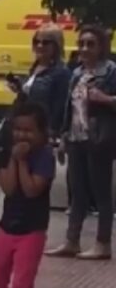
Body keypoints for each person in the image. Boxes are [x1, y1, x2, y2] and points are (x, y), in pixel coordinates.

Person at [0, 100, 56, 288]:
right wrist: (13, 160)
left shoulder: (44, 157)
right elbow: (8, 189)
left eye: (29, 131)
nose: (22, 135)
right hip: (6, 227)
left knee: (21, 286)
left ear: (41, 133)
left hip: (32, 231)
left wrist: (23, 162)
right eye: (17, 129)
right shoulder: (6, 152)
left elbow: (30, 189)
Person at [46, 24, 116, 261]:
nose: (85, 49)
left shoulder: (110, 72)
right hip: (76, 138)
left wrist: (105, 99)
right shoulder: (76, 73)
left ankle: (103, 243)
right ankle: (71, 240)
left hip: (98, 139)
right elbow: (70, 109)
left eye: (91, 44)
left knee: (101, 192)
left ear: (101, 47)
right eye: (82, 43)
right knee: (77, 192)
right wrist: (64, 136)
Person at [4, 25, 70, 139]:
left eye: (45, 42)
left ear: (56, 45)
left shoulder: (61, 72)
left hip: (44, 133)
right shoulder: (35, 67)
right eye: (36, 42)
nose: (39, 46)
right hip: (27, 130)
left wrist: (52, 133)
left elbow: (61, 108)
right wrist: (20, 89)